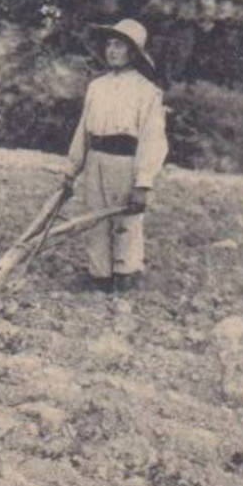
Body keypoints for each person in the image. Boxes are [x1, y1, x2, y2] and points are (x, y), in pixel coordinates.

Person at [62, 18, 169, 293]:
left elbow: (152, 139)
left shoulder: (147, 92)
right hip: (96, 158)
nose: (112, 51)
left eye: (119, 45)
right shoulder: (97, 87)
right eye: (109, 44)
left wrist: (143, 182)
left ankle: (126, 276)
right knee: (95, 219)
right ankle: (99, 276)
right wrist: (71, 170)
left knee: (125, 222)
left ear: (133, 52)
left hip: (125, 162)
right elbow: (83, 131)